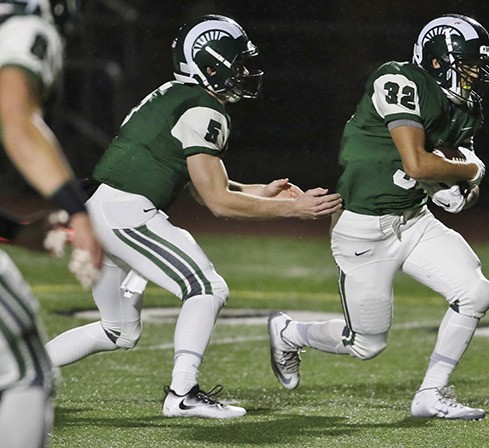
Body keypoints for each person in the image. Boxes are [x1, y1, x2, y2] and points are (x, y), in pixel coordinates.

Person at [45, 14, 342, 419]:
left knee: (118, 330)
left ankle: (21, 373)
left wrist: (261, 191)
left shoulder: (176, 95)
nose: (245, 72)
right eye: (238, 64)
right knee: (206, 288)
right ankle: (182, 393)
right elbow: (218, 202)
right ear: (211, 67)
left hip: (101, 207)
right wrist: (294, 209)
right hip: (123, 211)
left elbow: (205, 188)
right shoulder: (204, 109)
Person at [268, 14, 489, 420]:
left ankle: (431, 394)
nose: (476, 74)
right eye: (468, 64)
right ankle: (289, 333)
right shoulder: (400, 80)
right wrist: (471, 172)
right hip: (364, 229)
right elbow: (418, 164)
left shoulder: (467, 109)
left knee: (475, 292)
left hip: (414, 219)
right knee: (366, 345)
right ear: (438, 61)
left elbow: (459, 177)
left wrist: (463, 193)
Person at [0, 1, 103, 446]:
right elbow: (17, 119)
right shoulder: (24, 25)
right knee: (27, 373)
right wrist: (77, 210)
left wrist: (15, 231)